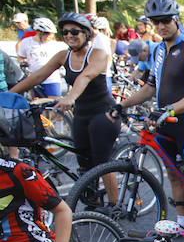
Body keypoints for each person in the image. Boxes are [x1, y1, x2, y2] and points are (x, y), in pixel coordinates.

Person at [114, 0, 184, 242]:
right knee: (173, 173)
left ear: (176, 19)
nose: (161, 26)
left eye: (165, 20)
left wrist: (168, 110)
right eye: (155, 22)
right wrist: (121, 104)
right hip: (165, 121)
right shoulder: (158, 50)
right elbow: (149, 88)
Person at [10, 13, 121, 188]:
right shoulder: (63, 56)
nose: (70, 36)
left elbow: (86, 76)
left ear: (86, 34)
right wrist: (9, 94)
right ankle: (93, 205)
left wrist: (70, 97)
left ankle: (114, 207)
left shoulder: (98, 54)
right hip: (82, 114)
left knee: (102, 162)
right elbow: (38, 76)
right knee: (84, 163)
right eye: (66, 32)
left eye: (75, 32)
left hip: (103, 113)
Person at [16, 18, 66, 98]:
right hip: (33, 78)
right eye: (49, 34)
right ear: (39, 33)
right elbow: (20, 57)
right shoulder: (26, 42)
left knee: (54, 104)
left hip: (52, 79)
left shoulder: (55, 45)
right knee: (37, 105)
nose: (51, 37)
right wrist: (22, 62)